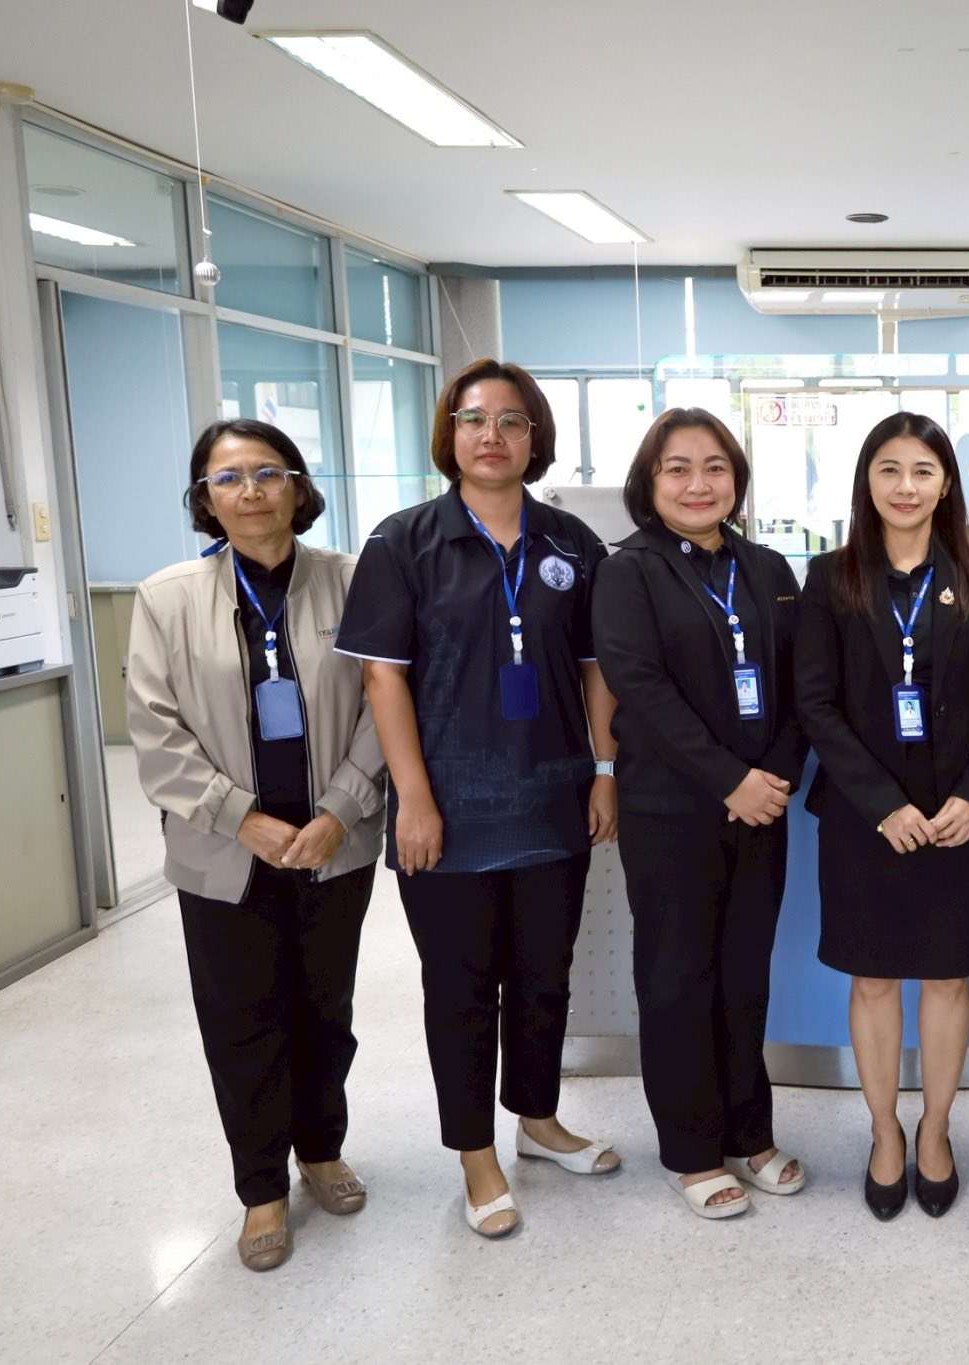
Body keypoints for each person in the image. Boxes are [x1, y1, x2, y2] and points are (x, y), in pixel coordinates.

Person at [335, 359, 620, 1240]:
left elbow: (595, 668)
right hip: (449, 810)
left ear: (536, 437)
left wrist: (603, 769)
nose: (490, 434)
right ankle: (476, 1153)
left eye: (510, 420)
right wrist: (414, 800)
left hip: (553, 799)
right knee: (461, 988)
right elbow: (383, 679)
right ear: (449, 434)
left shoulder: (573, 542)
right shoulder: (403, 542)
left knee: (544, 976)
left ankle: (538, 1119)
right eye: (472, 418)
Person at [126, 419, 386, 1271]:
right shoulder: (166, 597)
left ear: (298, 486)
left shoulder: (351, 580)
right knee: (241, 1018)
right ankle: (261, 1188)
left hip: (331, 841)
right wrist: (240, 816)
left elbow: (385, 705)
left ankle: (322, 1149)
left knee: (326, 1010)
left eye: (268, 472)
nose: (250, 491)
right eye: (228, 477)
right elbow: (155, 730)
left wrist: (340, 809)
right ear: (205, 498)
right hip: (223, 850)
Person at [591, 408, 809, 1220]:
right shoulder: (628, 571)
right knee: (678, 976)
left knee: (745, 974)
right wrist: (730, 780)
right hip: (672, 809)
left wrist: (773, 776)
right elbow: (640, 688)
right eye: (677, 468)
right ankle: (690, 1149)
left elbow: (802, 681)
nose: (698, 483)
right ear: (649, 482)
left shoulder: (767, 566)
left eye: (715, 466)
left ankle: (750, 1131)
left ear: (736, 480)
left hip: (763, 807)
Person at [795, 412, 969, 1220]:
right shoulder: (831, 576)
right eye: (889, 469)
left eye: (923, 470)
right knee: (875, 977)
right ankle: (885, 1130)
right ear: (867, 481)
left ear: (946, 482)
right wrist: (883, 804)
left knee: (949, 976)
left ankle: (936, 1130)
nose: (906, 486)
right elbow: (815, 702)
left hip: (958, 815)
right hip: (865, 818)